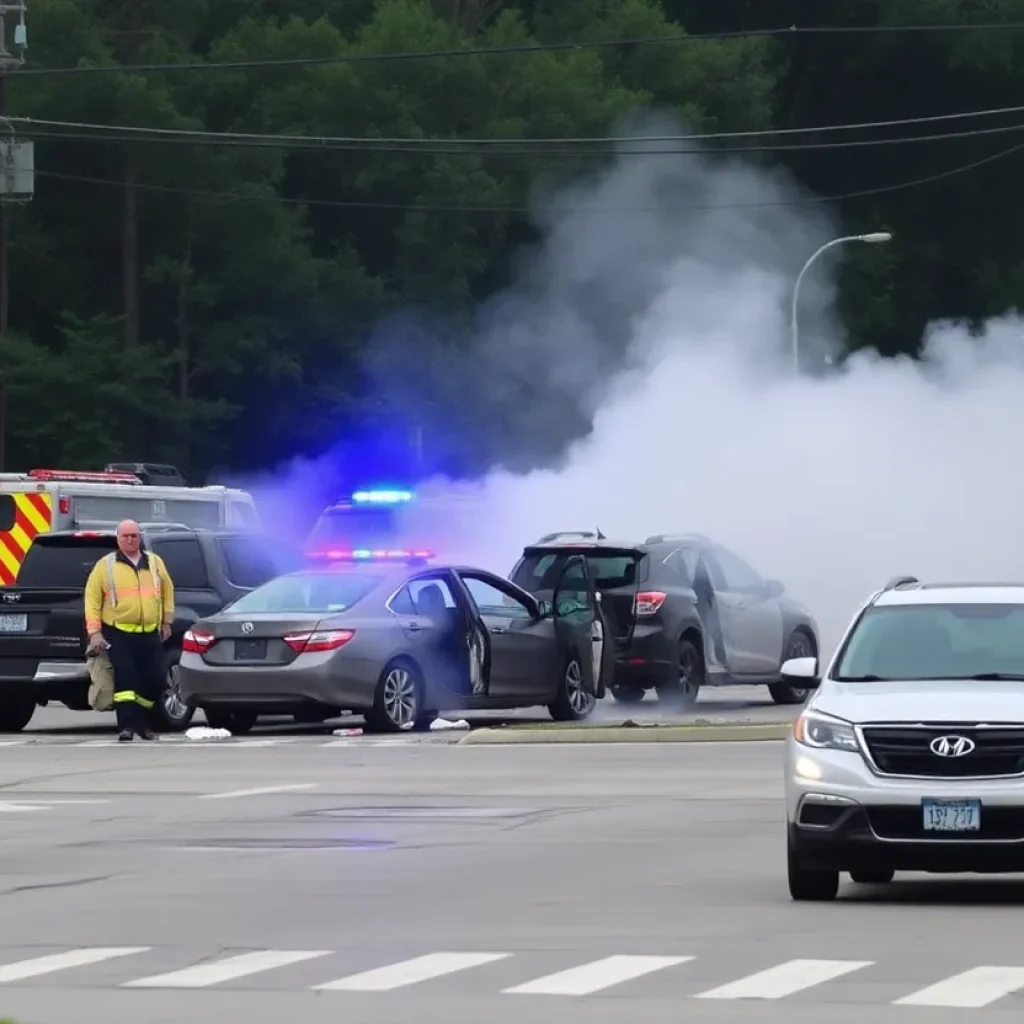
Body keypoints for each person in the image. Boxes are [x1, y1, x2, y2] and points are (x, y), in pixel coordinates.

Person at [84, 520, 175, 742]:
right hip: (118, 632)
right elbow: (92, 599)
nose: (130, 539)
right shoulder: (105, 566)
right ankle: (127, 727)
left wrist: (167, 621)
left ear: (139, 537)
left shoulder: (154, 562)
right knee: (126, 678)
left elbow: (167, 591)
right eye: (125, 536)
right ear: (118, 538)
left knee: (155, 677)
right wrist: (95, 632)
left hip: (149, 632)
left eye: (134, 535)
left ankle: (142, 723)